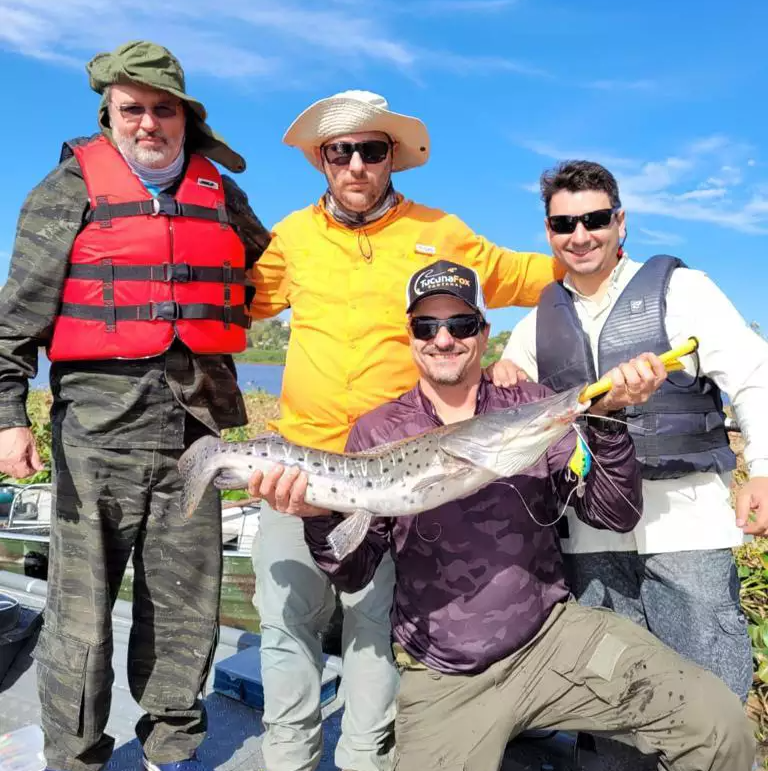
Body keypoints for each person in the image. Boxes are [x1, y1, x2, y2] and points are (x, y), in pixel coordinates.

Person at [251, 260, 755, 771]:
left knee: (718, 725)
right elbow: (356, 570)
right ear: (411, 336)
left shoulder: (528, 406)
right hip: (446, 675)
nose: (444, 339)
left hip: (552, 643)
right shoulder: (378, 431)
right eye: (428, 326)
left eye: (461, 324)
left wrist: (608, 420)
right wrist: (316, 515)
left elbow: (615, 513)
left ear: (483, 333)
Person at [247, 90, 564, 771]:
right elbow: (229, 300)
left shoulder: (442, 230)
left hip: (398, 475)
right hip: (296, 470)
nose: (357, 163)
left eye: (372, 149)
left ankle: (365, 761)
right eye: (342, 151)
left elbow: (526, 275)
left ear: (393, 156)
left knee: (372, 633)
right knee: (284, 630)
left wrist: (604, 258)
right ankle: (289, 762)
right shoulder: (291, 238)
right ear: (321, 161)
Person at [0, 41, 270, 771]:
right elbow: (13, 322)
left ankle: (169, 753)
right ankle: (75, 757)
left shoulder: (223, 194)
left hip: (198, 433)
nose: (148, 123)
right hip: (95, 432)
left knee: (186, 610)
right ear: (109, 113)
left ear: (186, 116)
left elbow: (274, 275)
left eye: (162, 109)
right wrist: (7, 419)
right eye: (133, 109)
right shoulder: (66, 187)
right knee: (80, 621)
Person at [499, 159, 768, 702]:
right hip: (589, 537)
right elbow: (502, 419)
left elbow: (754, 376)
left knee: (707, 698)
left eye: (595, 219)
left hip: (687, 528)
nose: (580, 236)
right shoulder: (533, 327)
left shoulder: (685, 291)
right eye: (563, 225)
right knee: (611, 701)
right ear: (548, 234)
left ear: (621, 222)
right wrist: (499, 376)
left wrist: (762, 471)